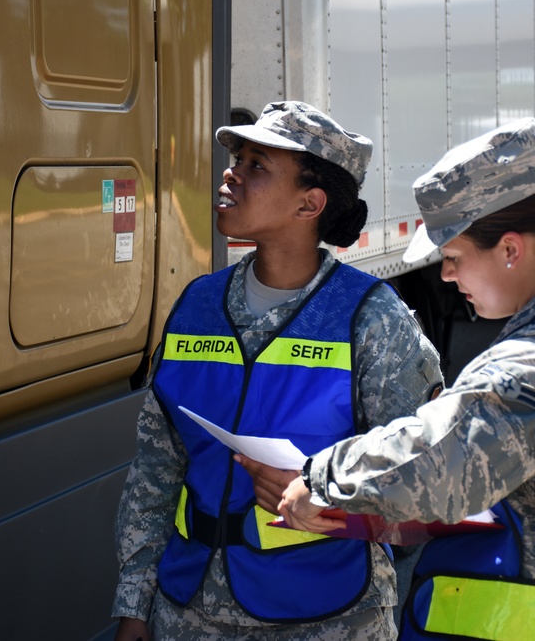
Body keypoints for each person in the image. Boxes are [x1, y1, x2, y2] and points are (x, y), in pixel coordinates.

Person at [274, 118, 535, 640]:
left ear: (509, 250)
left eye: (453, 257)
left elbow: (438, 464)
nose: (446, 275)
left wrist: (319, 479)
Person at [112, 101, 443, 640]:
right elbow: (155, 471)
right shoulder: (196, 304)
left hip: (328, 616)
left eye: (256, 166)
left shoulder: (370, 319)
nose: (231, 173)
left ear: (310, 204)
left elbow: (427, 478)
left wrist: (327, 490)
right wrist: (133, 606)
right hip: (188, 611)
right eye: (236, 158)